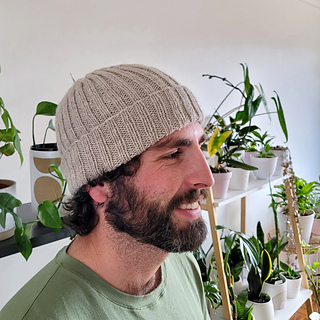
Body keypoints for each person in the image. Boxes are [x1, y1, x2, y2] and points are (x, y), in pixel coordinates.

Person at [0, 64, 214, 319]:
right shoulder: (42, 314)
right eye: (173, 154)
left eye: (200, 146)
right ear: (99, 184)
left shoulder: (182, 265)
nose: (207, 178)